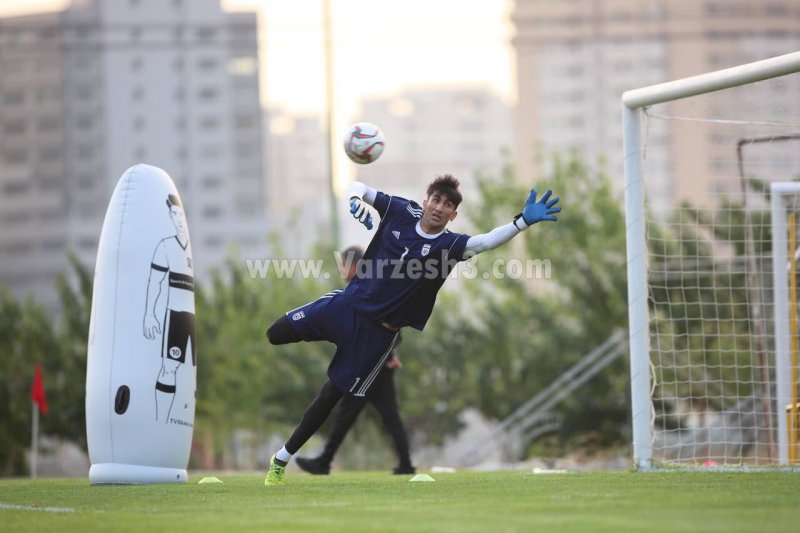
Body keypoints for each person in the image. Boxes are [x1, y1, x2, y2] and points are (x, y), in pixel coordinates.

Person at [263, 175, 560, 485]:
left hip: (376, 337)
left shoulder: (449, 245)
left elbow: (485, 242)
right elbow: (358, 187)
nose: (439, 207)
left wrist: (522, 222)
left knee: (330, 397)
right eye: (435, 200)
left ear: (453, 215)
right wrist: (354, 201)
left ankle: (281, 460)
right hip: (344, 308)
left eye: (447, 205)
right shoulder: (401, 211)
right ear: (425, 201)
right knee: (275, 333)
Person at [295, 245, 415, 476]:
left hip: (370, 368)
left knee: (358, 414)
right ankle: (405, 463)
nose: (341, 269)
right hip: (370, 366)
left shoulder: (370, 290)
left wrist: (389, 355)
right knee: (366, 415)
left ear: (357, 266)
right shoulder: (360, 289)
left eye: (344, 264)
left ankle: (324, 462)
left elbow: (391, 329)